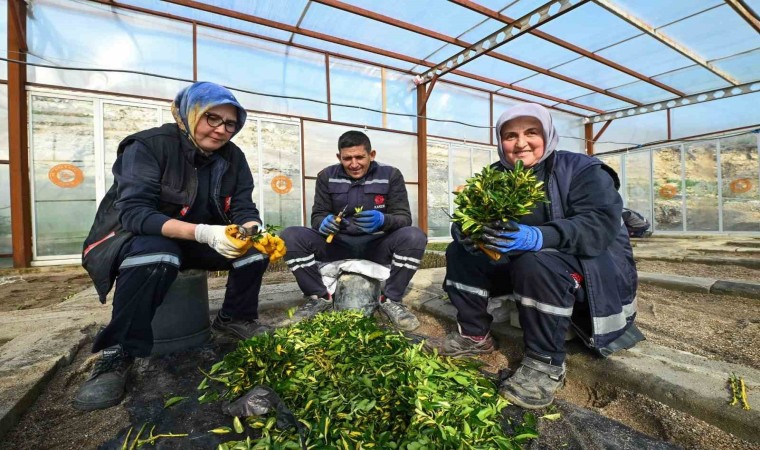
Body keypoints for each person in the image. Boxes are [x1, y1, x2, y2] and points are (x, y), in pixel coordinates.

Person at [75, 82, 284, 411]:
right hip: (135, 237)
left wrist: (249, 231)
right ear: (190, 113)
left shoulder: (233, 158)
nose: (220, 130)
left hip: (196, 237)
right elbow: (135, 214)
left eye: (230, 124)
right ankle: (117, 352)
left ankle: (235, 318)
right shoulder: (149, 145)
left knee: (255, 251)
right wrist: (205, 233)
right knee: (158, 254)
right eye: (212, 118)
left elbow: (244, 207)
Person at [429, 103, 642, 409]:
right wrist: (464, 231)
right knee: (461, 252)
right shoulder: (496, 175)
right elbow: (470, 214)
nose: (520, 143)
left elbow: (599, 225)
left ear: (548, 134)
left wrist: (539, 237)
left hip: (587, 273)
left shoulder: (582, 170)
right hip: (527, 271)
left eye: (531, 132)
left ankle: (545, 363)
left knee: (535, 260)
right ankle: (475, 336)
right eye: (510, 135)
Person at [280, 131, 427, 331]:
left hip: (376, 246)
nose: (354, 164)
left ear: (372, 154)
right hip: (337, 244)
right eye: (347, 158)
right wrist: (323, 222)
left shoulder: (390, 175)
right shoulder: (326, 176)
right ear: (339, 157)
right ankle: (318, 297)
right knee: (291, 236)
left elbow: (404, 217)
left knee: (414, 236)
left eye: (360, 157)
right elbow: (318, 215)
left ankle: (391, 299)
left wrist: (384, 220)